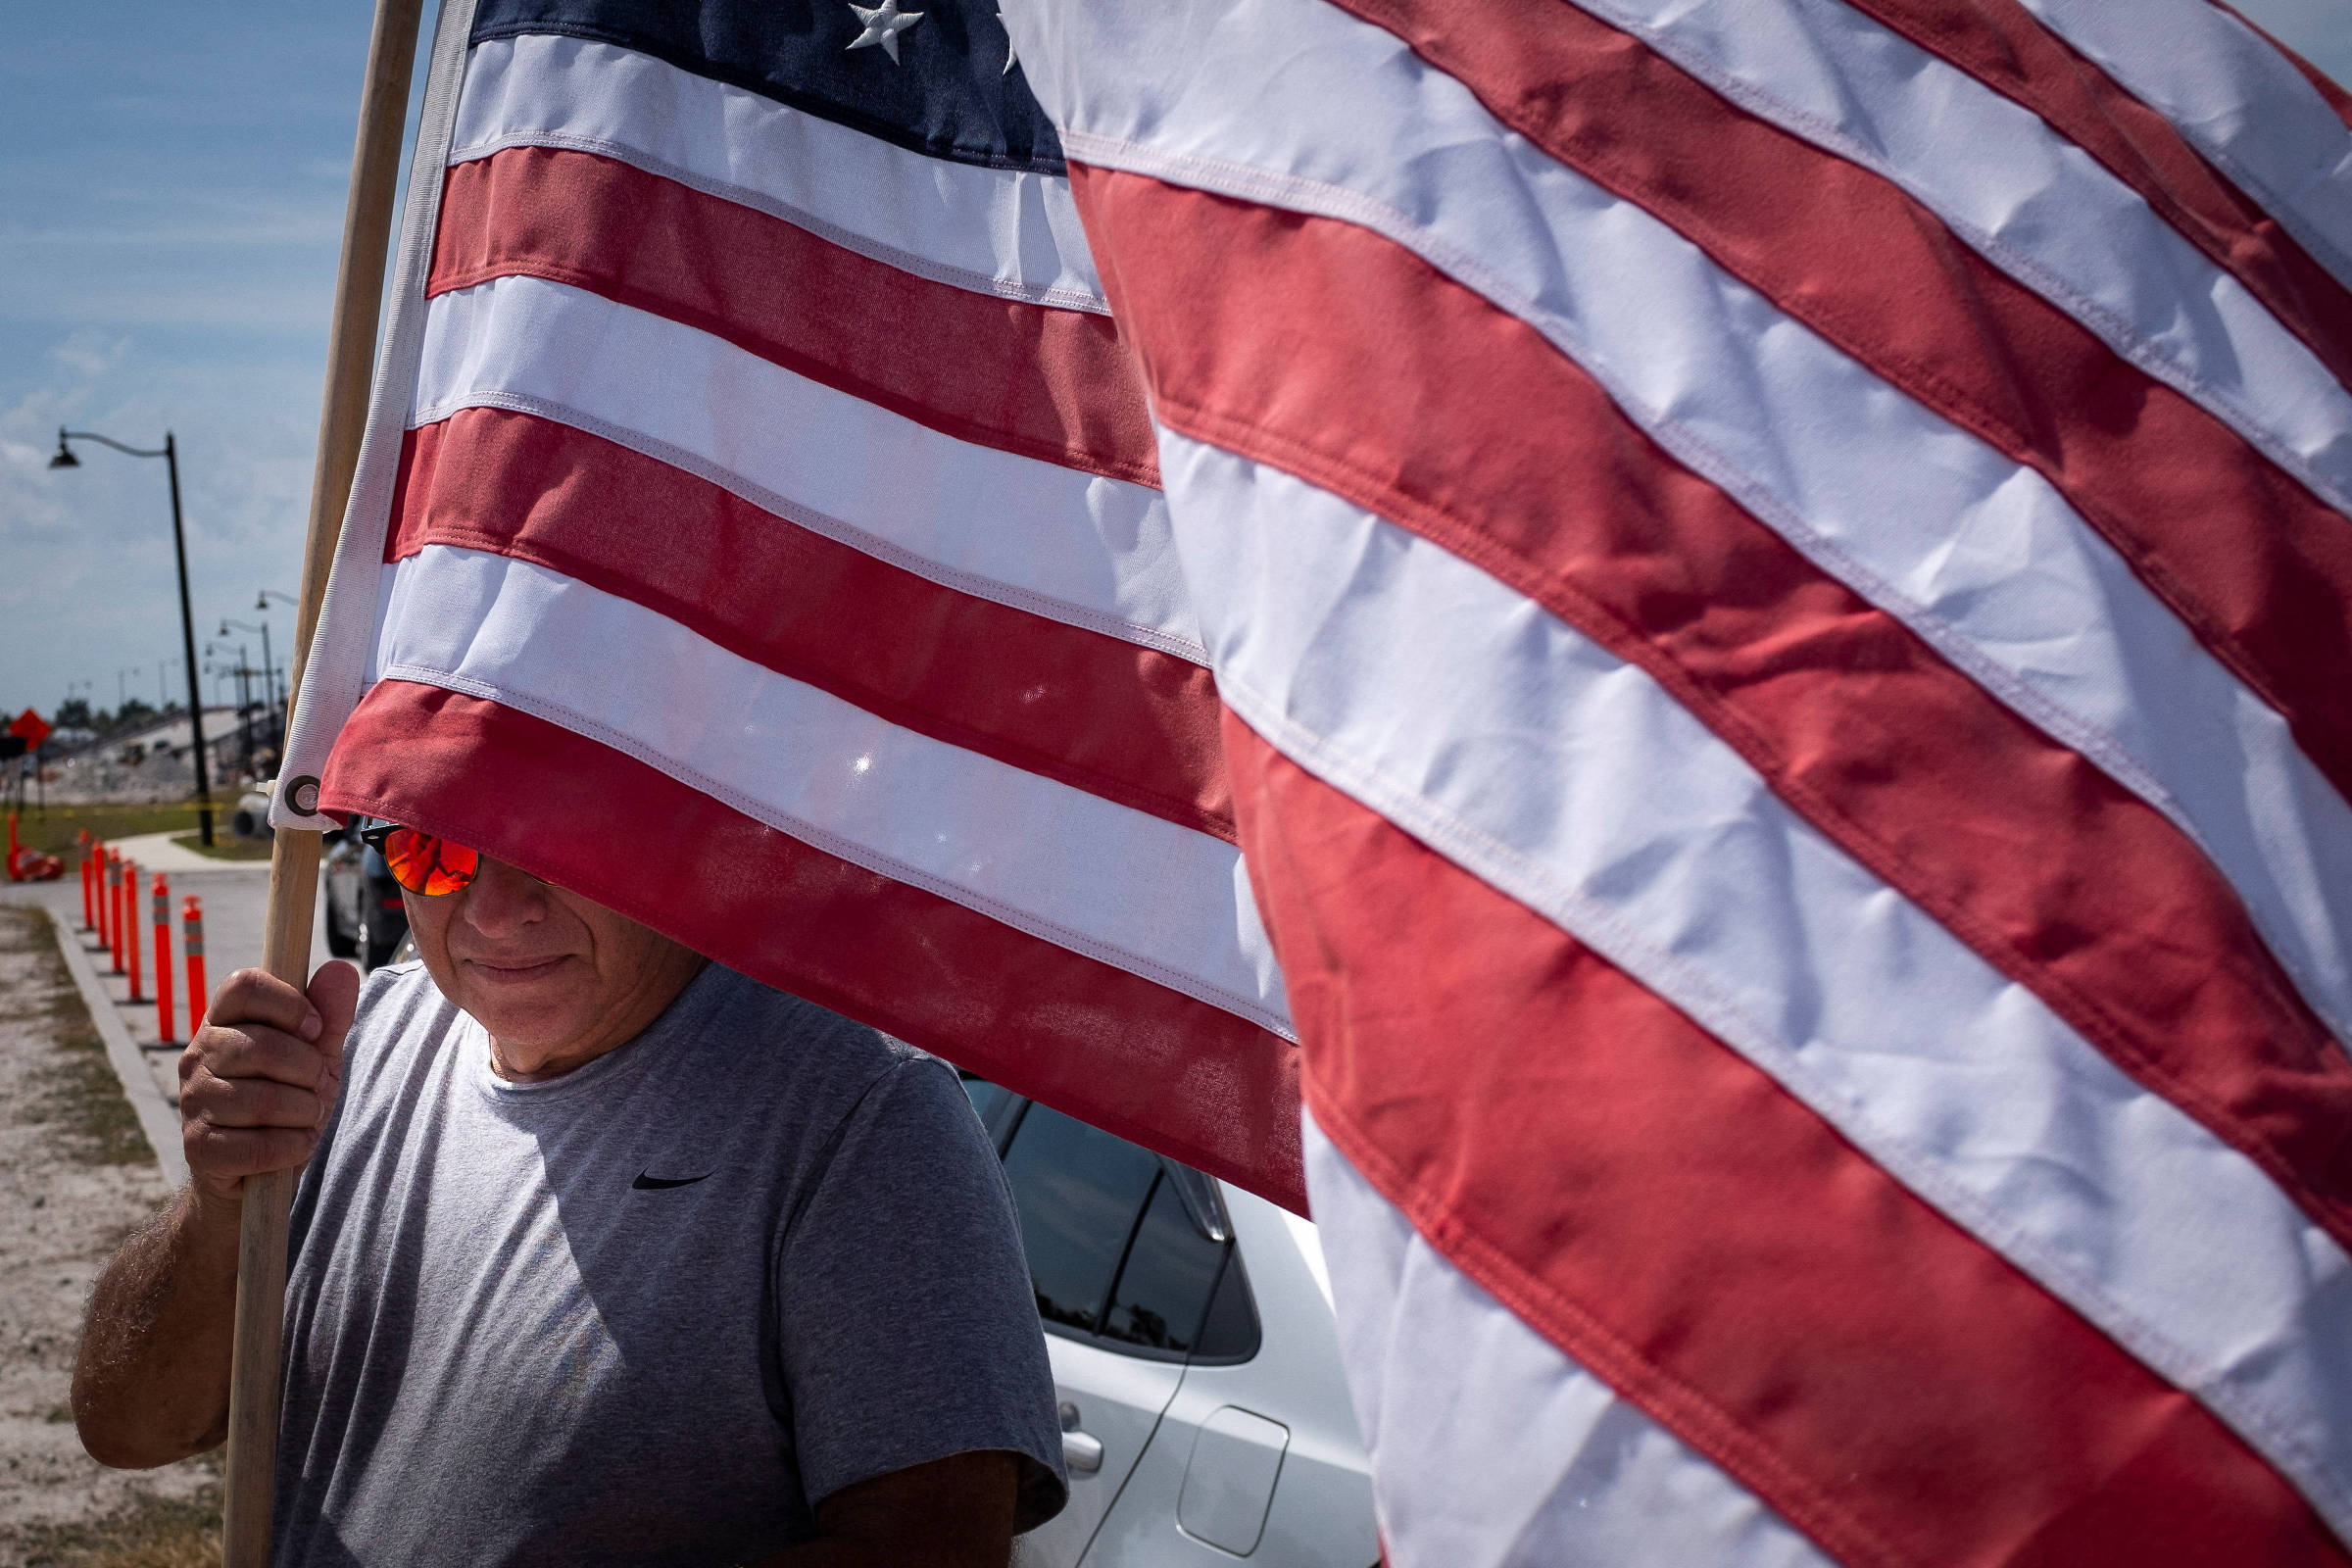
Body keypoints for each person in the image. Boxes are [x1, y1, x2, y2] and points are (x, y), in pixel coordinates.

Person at [72, 821, 1064, 1566]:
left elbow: (934, 1551)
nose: (495, 911)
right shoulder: (353, 1049)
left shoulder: (860, 1113)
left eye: (561, 831)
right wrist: (221, 1196)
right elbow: (128, 1427)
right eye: (435, 846)